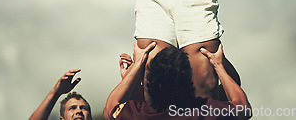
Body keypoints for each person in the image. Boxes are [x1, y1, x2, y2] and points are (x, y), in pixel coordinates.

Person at [103, 41, 251, 119]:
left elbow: (110, 110)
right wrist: (218, 65)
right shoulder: (205, 111)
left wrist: (137, 66)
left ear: (149, 83)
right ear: (189, 81)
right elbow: (242, 107)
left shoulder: (140, 114)